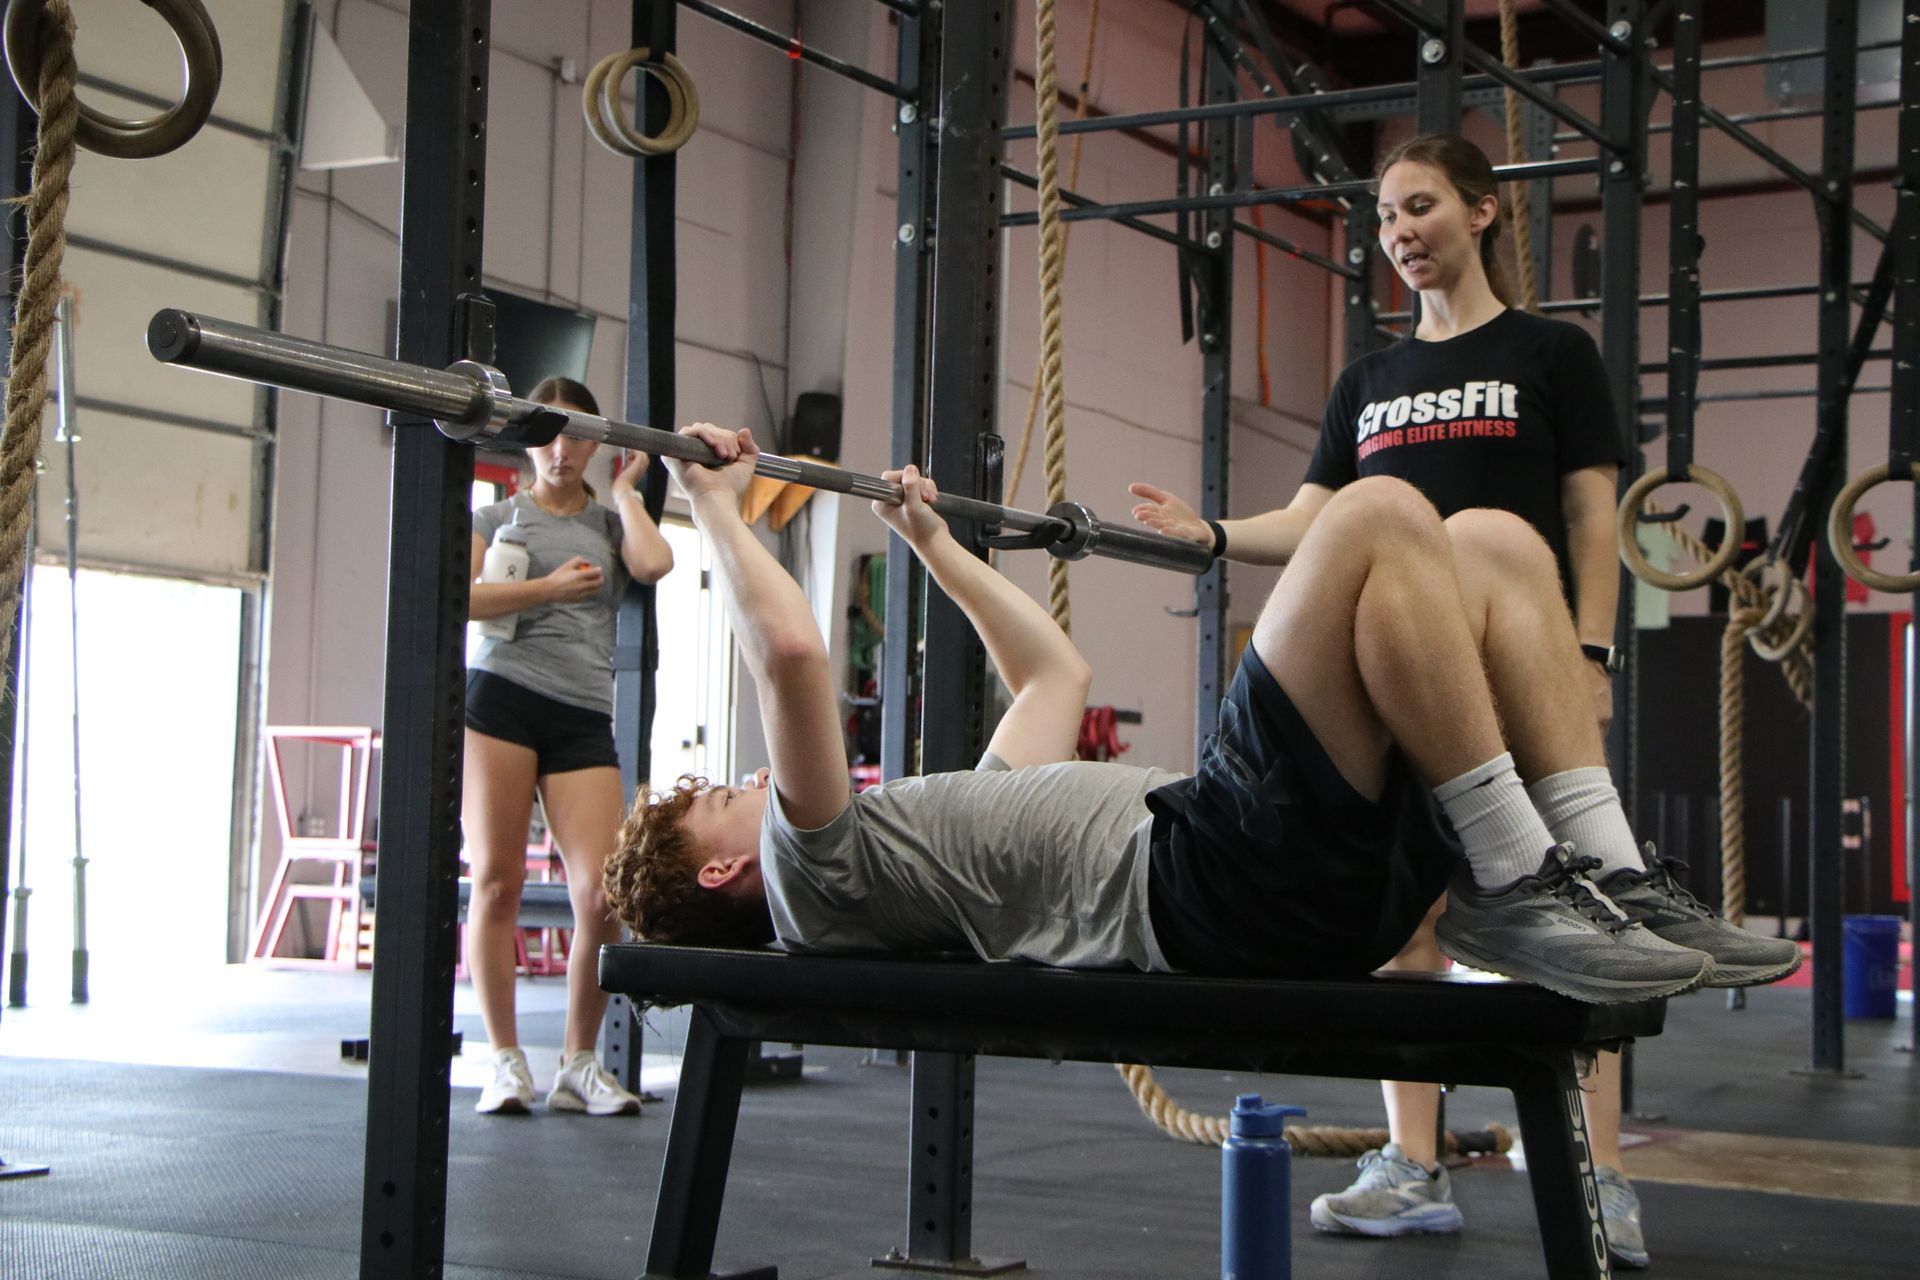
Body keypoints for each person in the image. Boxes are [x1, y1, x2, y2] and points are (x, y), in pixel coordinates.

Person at [1124, 133, 1799, 1268]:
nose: (1400, 234)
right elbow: (1314, 520)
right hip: (1401, 674)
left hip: (1513, 660)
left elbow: (1593, 521)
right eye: (1385, 218)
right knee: (1413, 921)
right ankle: (1411, 1162)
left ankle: (1602, 1173)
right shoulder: (1365, 383)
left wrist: (1590, 653)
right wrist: (1211, 535)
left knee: (1583, 907)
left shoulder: (1550, 354)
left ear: (1484, 212)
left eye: (1421, 207)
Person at [605, 422, 1795, 1021]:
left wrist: (937, 547)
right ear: (724, 863)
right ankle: (1518, 874)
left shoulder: (916, 848)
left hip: (1265, 876)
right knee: (1379, 511)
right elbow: (795, 652)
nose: (748, 779)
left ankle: (1601, 868)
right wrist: (716, 506)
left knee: (1494, 538)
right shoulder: (810, 876)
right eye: (723, 791)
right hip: (1208, 878)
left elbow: (1052, 680)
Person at [463, 375, 674, 1116]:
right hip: (502, 702)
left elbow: (655, 566)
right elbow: (457, 596)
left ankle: (578, 1064)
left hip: (582, 713)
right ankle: (503, 1060)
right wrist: (545, 590)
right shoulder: (498, 517)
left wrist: (625, 497)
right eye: (548, 435)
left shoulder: (612, 524)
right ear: (528, 438)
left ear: (593, 444)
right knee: (496, 884)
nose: (561, 449)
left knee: (601, 892)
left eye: (576, 436)